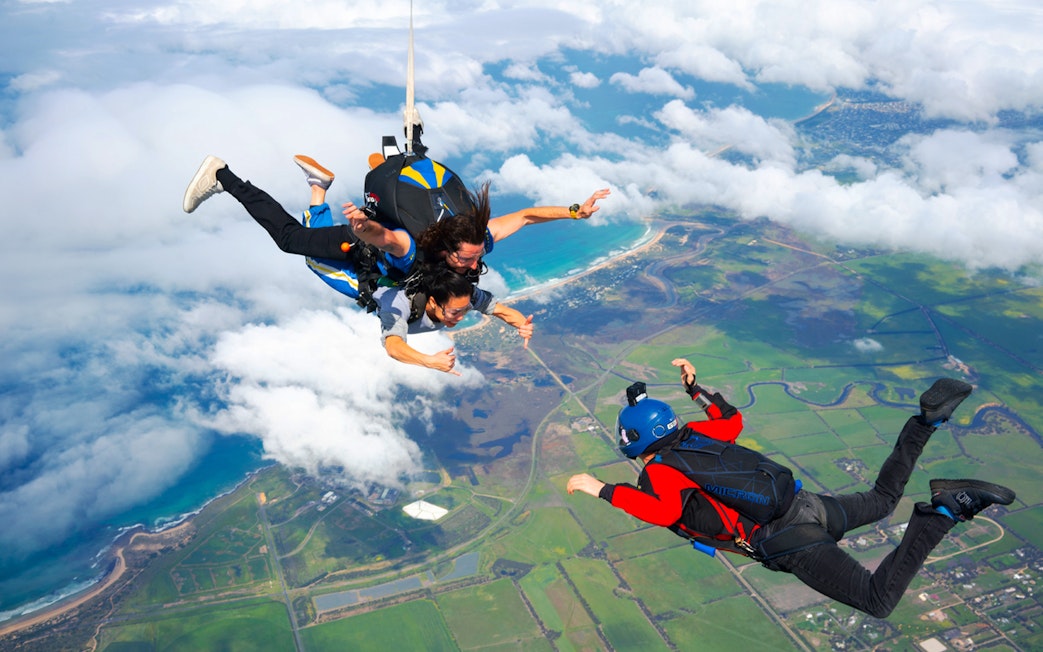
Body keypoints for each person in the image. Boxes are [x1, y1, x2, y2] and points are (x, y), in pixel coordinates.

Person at [567, 359, 1016, 618]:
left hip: (788, 541)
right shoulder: (696, 437)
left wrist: (601, 488)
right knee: (882, 500)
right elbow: (731, 419)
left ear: (630, 444)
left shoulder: (661, 471)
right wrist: (694, 388)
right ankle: (926, 422)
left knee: (877, 600)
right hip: (806, 505)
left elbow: (665, 513)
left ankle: (945, 512)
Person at [181, 154, 610, 289]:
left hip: (382, 231)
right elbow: (389, 239)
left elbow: (526, 216)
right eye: (467, 260)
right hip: (368, 240)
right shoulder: (417, 247)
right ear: (445, 249)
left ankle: (334, 181)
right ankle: (223, 176)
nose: (474, 265)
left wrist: (576, 211)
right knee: (293, 241)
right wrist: (362, 226)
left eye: (476, 258)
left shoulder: (475, 239)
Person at [374, 263, 532, 374]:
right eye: (455, 312)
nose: (461, 317)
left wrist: (522, 324)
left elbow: (502, 311)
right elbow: (393, 346)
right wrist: (429, 361)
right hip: (362, 280)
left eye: (466, 309)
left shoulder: (467, 295)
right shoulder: (400, 304)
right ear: (433, 303)